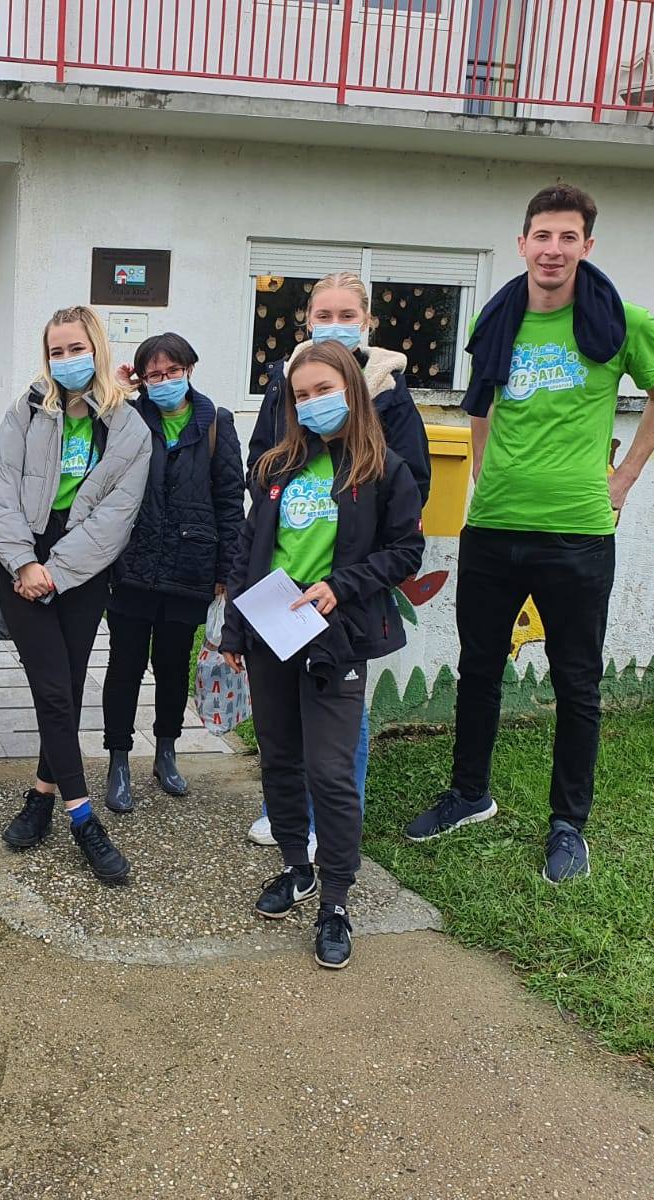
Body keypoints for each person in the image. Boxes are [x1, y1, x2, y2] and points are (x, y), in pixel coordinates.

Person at [403, 183, 654, 884]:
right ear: (522, 243)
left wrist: (624, 478)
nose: (553, 249)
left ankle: (568, 825)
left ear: (587, 246)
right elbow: (482, 404)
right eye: (542, 236)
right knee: (479, 669)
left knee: (576, 682)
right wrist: (482, 472)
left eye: (568, 237)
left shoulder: (623, 321)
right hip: (493, 528)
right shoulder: (497, 319)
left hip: (577, 532)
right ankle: (470, 794)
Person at [221, 340, 424, 969]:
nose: (312, 403)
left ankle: (335, 900)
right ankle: (296, 868)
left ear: (352, 391)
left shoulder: (384, 469)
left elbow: (406, 552)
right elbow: (249, 550)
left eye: (324, 391)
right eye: (301, 395)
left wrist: (341, 586)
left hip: (337, 638)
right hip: (271, 633)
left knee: (330, 772)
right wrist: (234, 632)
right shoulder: (276, 468)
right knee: (280, 760)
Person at [243, 270, 432, 854]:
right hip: (283, 591)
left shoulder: (390, 392)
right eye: (322, 315)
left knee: (339, 723)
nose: (333, 325)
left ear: (367, 321)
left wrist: (354, 542)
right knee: (282, 719)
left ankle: (335, 824)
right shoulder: (286, 382)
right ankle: (289, 819)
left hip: (346, 588)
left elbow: (409, 488)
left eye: (346, 315)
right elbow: (262, 464)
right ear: (306, 322)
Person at [0, 306, 152, 883]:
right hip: (19, 564)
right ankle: (83, 819)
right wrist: (25, 563)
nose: (66, 360)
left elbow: (117, 516)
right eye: (57, 351)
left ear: (97, 350)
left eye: (76, 349)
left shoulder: (129, 428)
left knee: (69, 688)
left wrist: (57, 570)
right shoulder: (28, 410)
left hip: (83, 568)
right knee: (53, 690)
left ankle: (40, 796)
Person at [101, 332, 243, 813]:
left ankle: (166, 751)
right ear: (142, 378)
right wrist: (117, 389)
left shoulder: (216, 423)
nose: (164, 381)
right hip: (133, 564)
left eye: (172, 372)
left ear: (189, 370)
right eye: (154, 375)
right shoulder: (129, 416)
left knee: (171, 666)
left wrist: (226, 570)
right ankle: (118, 759)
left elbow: (230, 501)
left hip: (190, 566)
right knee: (124, 665)